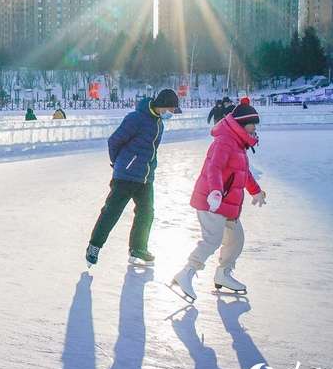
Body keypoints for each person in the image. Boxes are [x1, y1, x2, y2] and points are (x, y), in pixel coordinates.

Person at [171, 98, 266, 302]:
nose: (255, 128)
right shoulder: (226, 140)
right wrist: (215, 191)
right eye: (253, 123)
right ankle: (186, 272)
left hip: (226, 203)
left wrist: (256, 191)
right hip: (212, 200)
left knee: (236, 239)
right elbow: (214, 167)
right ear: (242, 123)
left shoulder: (239, 143)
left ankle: (223, 273)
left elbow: (243, 172)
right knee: (212, 239)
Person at [85, 89, 182, 267]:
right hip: (126, 175)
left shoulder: (159, 122)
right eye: (170, 109)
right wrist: (120, 163)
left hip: (145, 177)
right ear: (161, 105)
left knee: (146, 213)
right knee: (112, 211)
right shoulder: (136, 118)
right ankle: (94, 246)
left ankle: (138, 248)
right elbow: (114, 141)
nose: (171, 113)